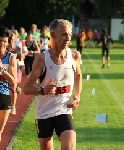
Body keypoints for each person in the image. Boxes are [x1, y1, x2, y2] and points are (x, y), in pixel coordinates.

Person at [23, 19, 82, 150]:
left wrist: (77, 95)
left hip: (64, 110)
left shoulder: (74, 56)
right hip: (44, 113)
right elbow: (27, 88)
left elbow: (78, 75)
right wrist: (42, 90)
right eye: (64, 34)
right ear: (53, 35)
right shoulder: (42, 59)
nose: (68, 38)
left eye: (69, 35)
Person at [0, 26, 17, 141]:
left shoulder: (11, 57)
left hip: (3, 95)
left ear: (8, 42)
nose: (2, 43)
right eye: (0, 40)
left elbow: (14, 82)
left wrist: (2, 70)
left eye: (4, 41)